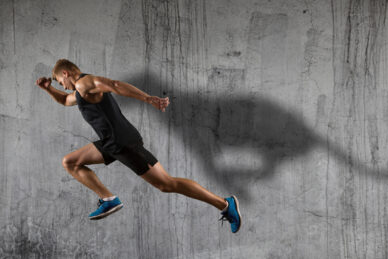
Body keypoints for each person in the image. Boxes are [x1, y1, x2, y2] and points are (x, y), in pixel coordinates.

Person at [35, 59, 241, 233]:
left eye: (61, 81)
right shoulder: (81, 90)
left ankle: (225, 204)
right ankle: (109, 199)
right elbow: (64, 100)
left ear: (66, 72)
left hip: (123, 143)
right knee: (70, 162)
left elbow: (115, 85)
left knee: (167, 184)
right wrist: (48, 89)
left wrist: (148, 99)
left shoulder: (84, 83)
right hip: (111, 143)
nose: (63, 85)